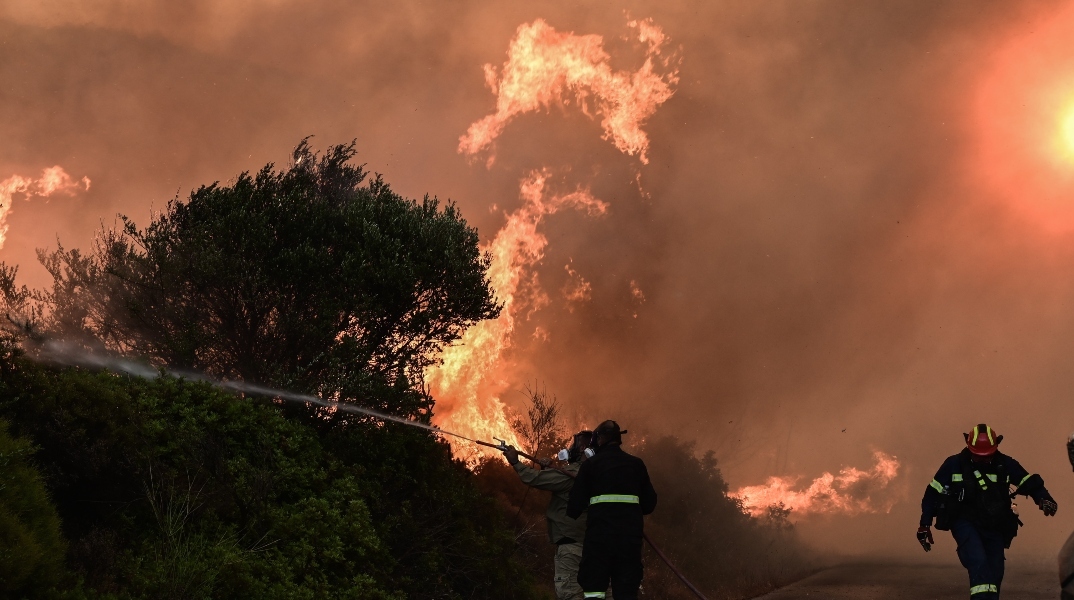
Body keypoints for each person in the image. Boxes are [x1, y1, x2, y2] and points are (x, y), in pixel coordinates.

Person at [918, 424, 1057, 599]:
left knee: (995, 570)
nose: (983, 460)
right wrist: (924, 524)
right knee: (978, 562)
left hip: (995, 523)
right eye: (978, 456)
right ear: (969, 448)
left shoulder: (1006, 464)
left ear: (996, 448)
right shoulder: (953, 464)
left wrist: (1044, 498)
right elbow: (932, 494)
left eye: (987, 456)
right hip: (964, 522)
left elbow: (1028, 482)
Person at [566, 420, 657, 600]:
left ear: (599, 439)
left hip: (599, 542)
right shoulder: (636, 465)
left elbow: (573, 508)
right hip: (629, 543)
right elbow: (649, 504)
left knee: (594, 591)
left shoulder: (591, 465)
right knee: (626, 592)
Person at [502, 431, 596, 600]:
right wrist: (549, 468)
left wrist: (515, 462)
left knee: (571, 594)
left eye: (575, 445)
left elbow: (536, 479)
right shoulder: (599, 475)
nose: (571, 448)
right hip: (597, 548)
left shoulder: (574, 473)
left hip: (572, 549)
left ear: (582, 448)